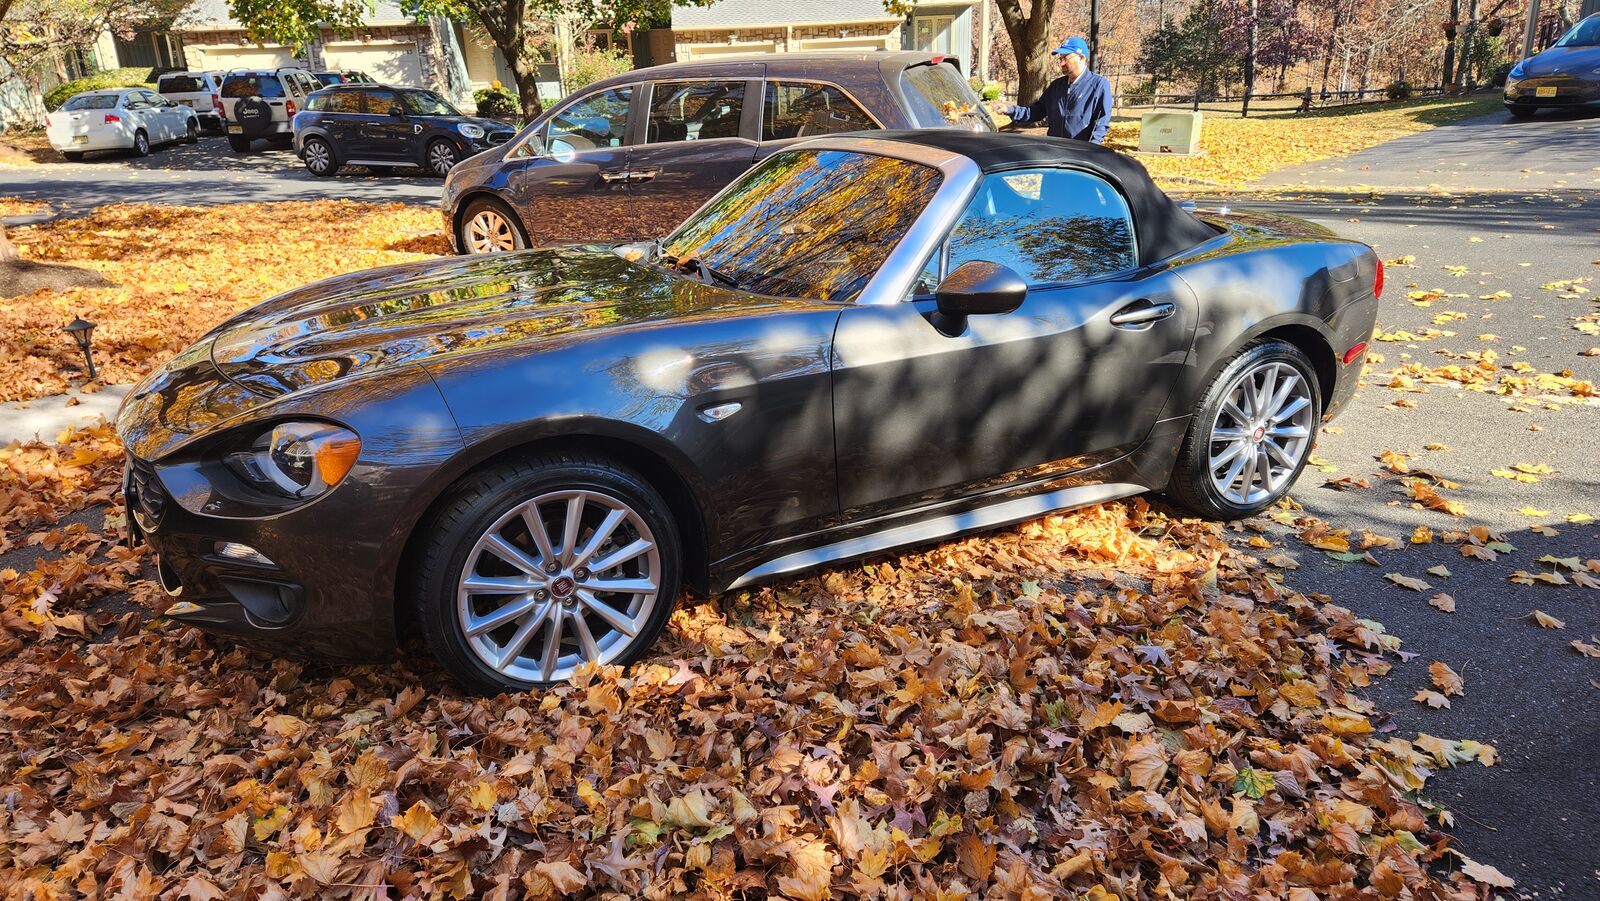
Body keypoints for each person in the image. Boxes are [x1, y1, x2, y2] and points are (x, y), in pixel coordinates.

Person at [990, 37, 1112, 144]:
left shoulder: (1099, 85)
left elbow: (1101, 124)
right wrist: (1009, 110)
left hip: (1079, 157)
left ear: (1081, 58)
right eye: (1060, 59)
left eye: (1066, 58)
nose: (1062, 63)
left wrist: (1092, 150)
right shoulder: (1056, 86)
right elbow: (1036, 111)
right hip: (1054, 151)